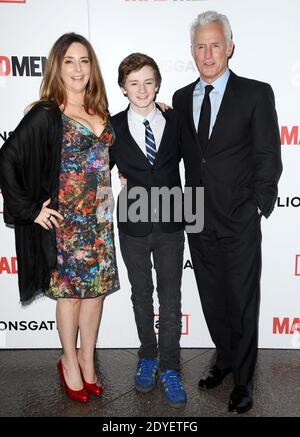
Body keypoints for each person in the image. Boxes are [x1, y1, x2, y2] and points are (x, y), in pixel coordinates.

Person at [0, 33, 120, 403]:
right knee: (69, 297)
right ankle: (68, 361)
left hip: (100, 223)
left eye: (84, 60)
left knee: (95, 295)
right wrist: (31, 209)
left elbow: (106, 160)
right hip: (66, 226)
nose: (78, 68)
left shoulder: (101, 109)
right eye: (69, 61)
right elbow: (7, 160)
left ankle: (88, 359)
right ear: (57, 66)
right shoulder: (47, 114)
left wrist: (158, 108)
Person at [172, 11, 282, 413]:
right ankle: (224, 356)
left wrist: (258, 203)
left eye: (215, 44)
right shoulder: (182, 99)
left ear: (229, 47)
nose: (208, 53)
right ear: (192, 51)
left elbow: (268, 155)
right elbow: (177, 158)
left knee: (242, 299)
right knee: (212, 297)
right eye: (200, 46)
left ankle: (245, 378)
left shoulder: (255, 93)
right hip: (196, 216)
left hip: (238, 216)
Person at [109, 53, 187, 408]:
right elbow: (96, 174)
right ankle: (148, 357)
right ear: (123, 88)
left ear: (158, 84)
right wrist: (99, 215)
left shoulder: (176, 121)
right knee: (142, 295)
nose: (142, 90)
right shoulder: (111, 127)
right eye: (134, 83)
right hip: (132, 223)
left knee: (171, 300)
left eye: (148, 82)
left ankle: (170, 366)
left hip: (173, 220)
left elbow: (200, 165)